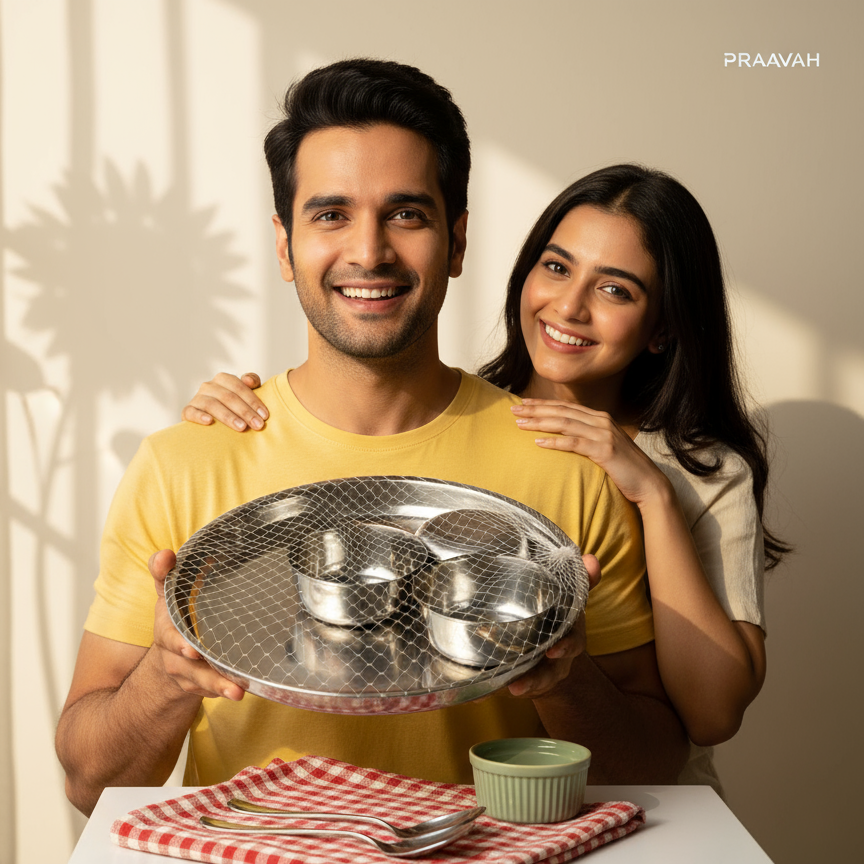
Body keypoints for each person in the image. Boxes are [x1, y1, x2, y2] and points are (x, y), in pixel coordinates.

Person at [55, 60, 688, 817]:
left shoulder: (567, 472)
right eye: (330, 215)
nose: (369, 252)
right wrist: (167, 674)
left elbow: (654, 764)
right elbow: (89, 781)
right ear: (285, 247)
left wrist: (567, 678)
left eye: (406, 214)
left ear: (456, 243)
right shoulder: (182, 466)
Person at [186, 164, 788, 791]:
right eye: (556, 268)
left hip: (657, 806)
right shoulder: (471, 423)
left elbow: (713, 714)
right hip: (516, 803)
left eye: (616, 290)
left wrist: (654, 495)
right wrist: (232, 412)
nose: (569, 306)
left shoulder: (703, 472)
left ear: (664, 326)